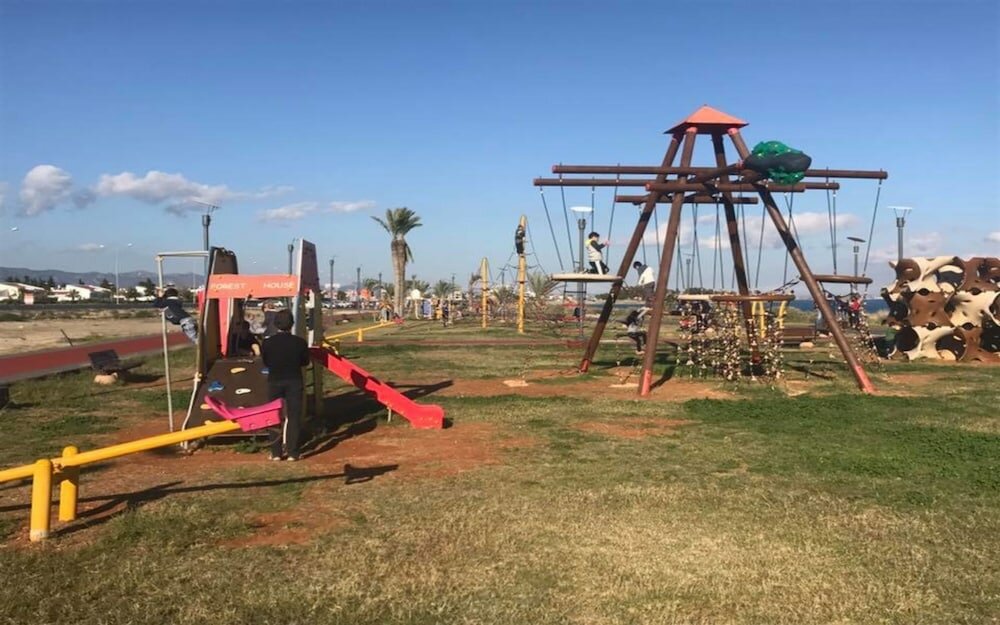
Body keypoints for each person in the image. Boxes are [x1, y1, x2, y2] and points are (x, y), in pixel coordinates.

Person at [261, 309, 310, 461]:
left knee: (274, 415)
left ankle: (276, 453)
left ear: (275, 324)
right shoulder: (300, 342)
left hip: (274, 381)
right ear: (292, 324)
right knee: (293, 416)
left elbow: (266, 362)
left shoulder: (267, 343)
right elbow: (305, 362)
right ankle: (293, 452)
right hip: (294, 380)